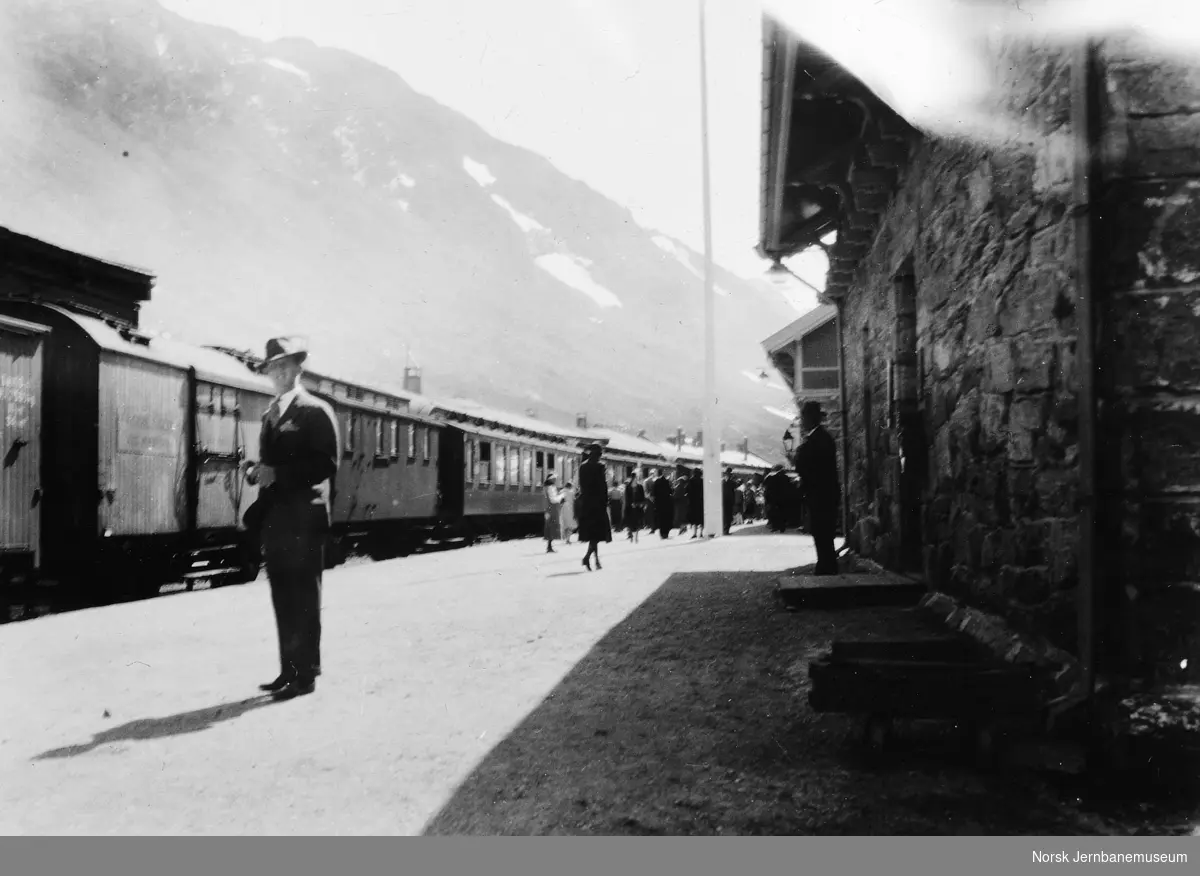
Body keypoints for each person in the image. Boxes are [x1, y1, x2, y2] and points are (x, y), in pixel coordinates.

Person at [243, 336, 339, 702]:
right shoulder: (271, 412)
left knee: (303, 597)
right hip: (277, 519)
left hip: (305, 518)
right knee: (282, 595)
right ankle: (288, 669)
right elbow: (272, 466)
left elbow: (325, 464)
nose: (279, 373)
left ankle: (307, 674)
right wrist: (257, 472)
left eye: (285, 366)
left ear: (298, 369)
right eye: (273, 368)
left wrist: (277, 474)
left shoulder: (315, 411)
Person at [795, 400, 840, 575]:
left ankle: (826, 568)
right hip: (825, 494)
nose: (802, 422)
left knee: (822, 533)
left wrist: (799, 456)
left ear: (811, 418)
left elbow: (807, 466)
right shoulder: (823, 438)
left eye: (804, 418)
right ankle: (826, 565)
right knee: (823, 534)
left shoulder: (816, 440)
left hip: (820, 495)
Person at [577, 443, 613, 570]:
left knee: (593, 535)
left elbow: (582, 485)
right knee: (596, 535)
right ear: (598, 454)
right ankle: (587, 557)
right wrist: (606, 501)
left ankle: (596, 560)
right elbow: (603, 486)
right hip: (598, 504)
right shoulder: (600, 466)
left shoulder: (582, 466)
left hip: (586, 504)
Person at [543, 474, 565, 553]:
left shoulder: (546, 487)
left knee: (549, 527)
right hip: (553, 509)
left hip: (548, 509)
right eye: (554, 479)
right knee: (553, 527)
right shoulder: (551, 488)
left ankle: (549, 547)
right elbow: (554, 499)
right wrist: (562, 496)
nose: (555, 480)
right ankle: (549, 547)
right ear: (551, 480)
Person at [652, 467, 673, 539]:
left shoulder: (657, 481)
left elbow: (654, 493)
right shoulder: (666, 482)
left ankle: (662, 533)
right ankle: (665, 533)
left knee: (661, 518)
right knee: (666, 518)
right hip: (666, 503)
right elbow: (671, 492)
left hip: (659, 503)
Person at [623, 472, 645, 542]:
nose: (634, 479)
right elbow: (627, 497)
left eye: (635, 478)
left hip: (638, 506)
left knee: (637, 521)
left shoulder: (640, 486)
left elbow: (642, 496)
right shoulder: (628, 487)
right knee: (630, 521)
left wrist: (641, 504)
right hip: (630, 507)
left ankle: (635, 536)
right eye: (633, 478)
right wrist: (629, 504)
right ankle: (630, 534)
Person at [686, 467, 704, 538]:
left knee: (694, 519)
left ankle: (695, 533)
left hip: (693, 503)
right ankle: (701, 533)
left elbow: (687, 491)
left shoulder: (691, 480)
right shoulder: (702, 481)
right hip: (701, 502)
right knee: (701, 519)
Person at [721, 467, 737, 535]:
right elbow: (735, 487)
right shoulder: (731, 482)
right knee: (728, 516)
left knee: (725, 515)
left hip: (724, 500)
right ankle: (726, 531)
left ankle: (724, 530)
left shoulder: (722, 481)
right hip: (729, 500)